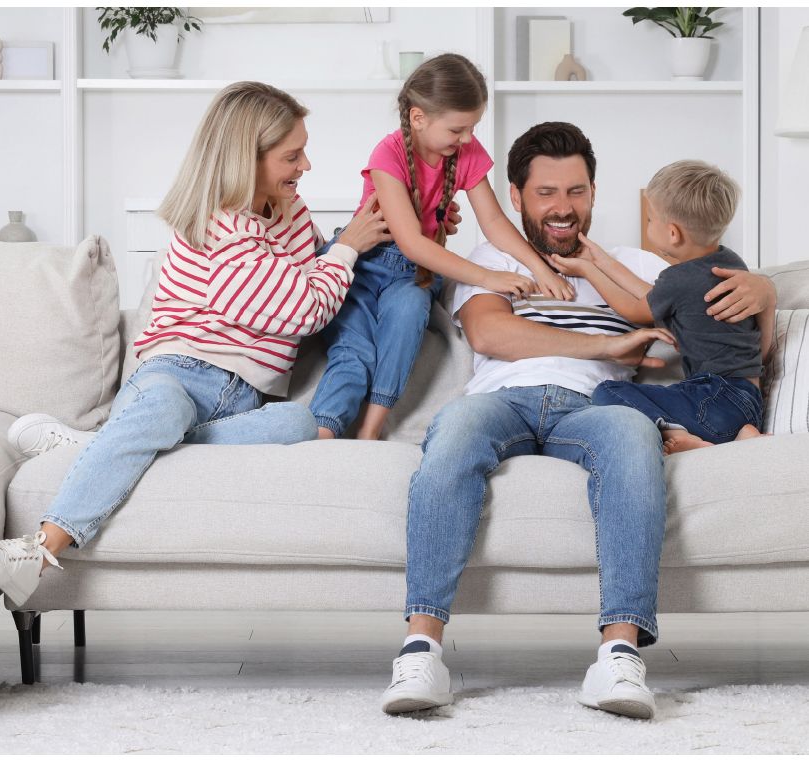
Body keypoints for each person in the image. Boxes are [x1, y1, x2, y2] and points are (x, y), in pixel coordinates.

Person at [380, 122, 776, 720]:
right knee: (453, 434)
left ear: (594, 192)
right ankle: (420, 652)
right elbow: (490, 333)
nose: (563, 207)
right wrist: (606, 346)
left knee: (634, 439)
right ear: (516, 197)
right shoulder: (492, 258)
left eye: (576, 191)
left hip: (596, 407)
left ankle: (620, 655)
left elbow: (711, 300)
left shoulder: (637, 265)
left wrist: (765, 289)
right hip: (502, 399)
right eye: (546, 193)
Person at [0, 81, 390, 608]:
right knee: (165, 408)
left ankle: (103, 445)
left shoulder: (288, 210)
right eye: (292, 156)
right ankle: (37, 550)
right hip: (177, 372)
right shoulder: (223, 227)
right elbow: (304, 309)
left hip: (245, 398)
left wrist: (379, 233)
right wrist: (346, 249)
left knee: (300, 424)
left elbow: (317, 269)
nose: (305, 166)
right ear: (246, 158)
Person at [309, 53, 574, 442]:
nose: (466, 138)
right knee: (355, 351)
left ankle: (370, 432)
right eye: (457, 129)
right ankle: (322, 435)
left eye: (472, 128)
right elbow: (412, 242)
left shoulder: (465, 151)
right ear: (418, 118)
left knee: (409, 315)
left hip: (413, 275)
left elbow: (494, 221)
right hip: (364, 265)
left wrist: (540, 268)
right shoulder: (388, 154)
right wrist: (488, 277)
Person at [550, 160, 775, 455]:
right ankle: (742, 435)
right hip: (748, 402)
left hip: (712, 399)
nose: (647, 224)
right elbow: (651, 295)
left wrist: (588, 270)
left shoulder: (678, 278)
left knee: (608, 392)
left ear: (672, 233)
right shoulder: (731, 264)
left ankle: (681, 434)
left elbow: (635, 309)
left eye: (650, 219)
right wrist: (603, 261)